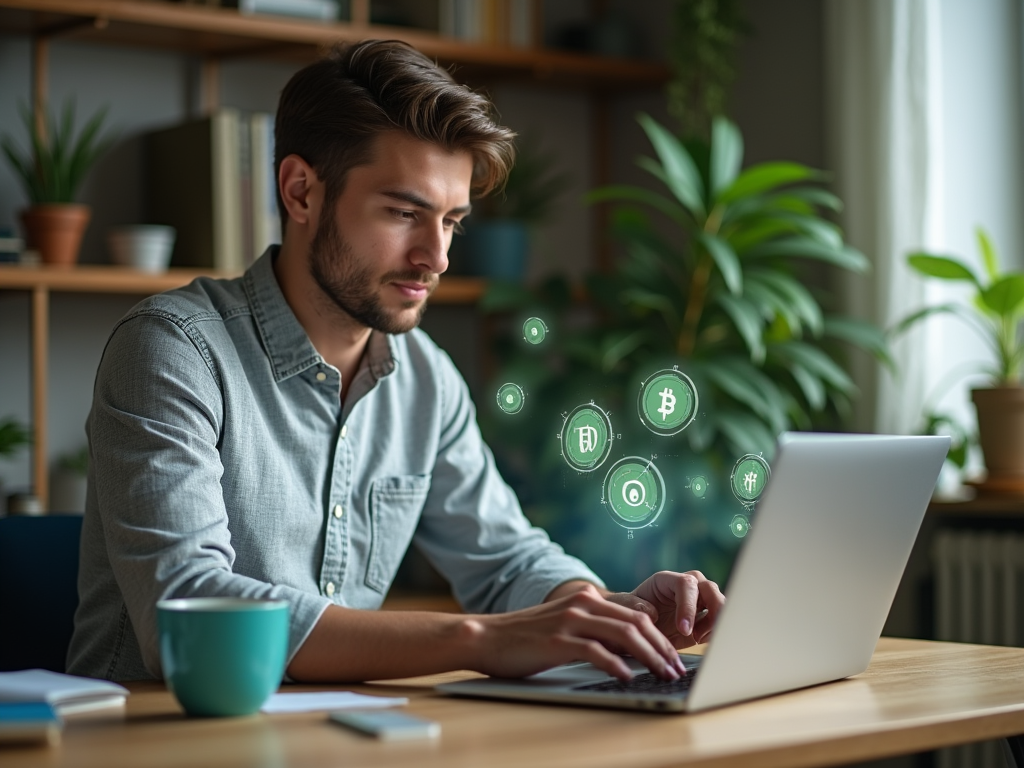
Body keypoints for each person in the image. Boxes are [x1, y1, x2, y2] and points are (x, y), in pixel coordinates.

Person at [67, 40, 724, 684]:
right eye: (405, 213)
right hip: (153, 743)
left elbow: (504, 560)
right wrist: (479, 640)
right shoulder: (175, 349)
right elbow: (188, 610)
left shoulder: (425, 378)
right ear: (301, 192)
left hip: (339, 738)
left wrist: (610, 612)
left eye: (451, 222)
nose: (436, 257)